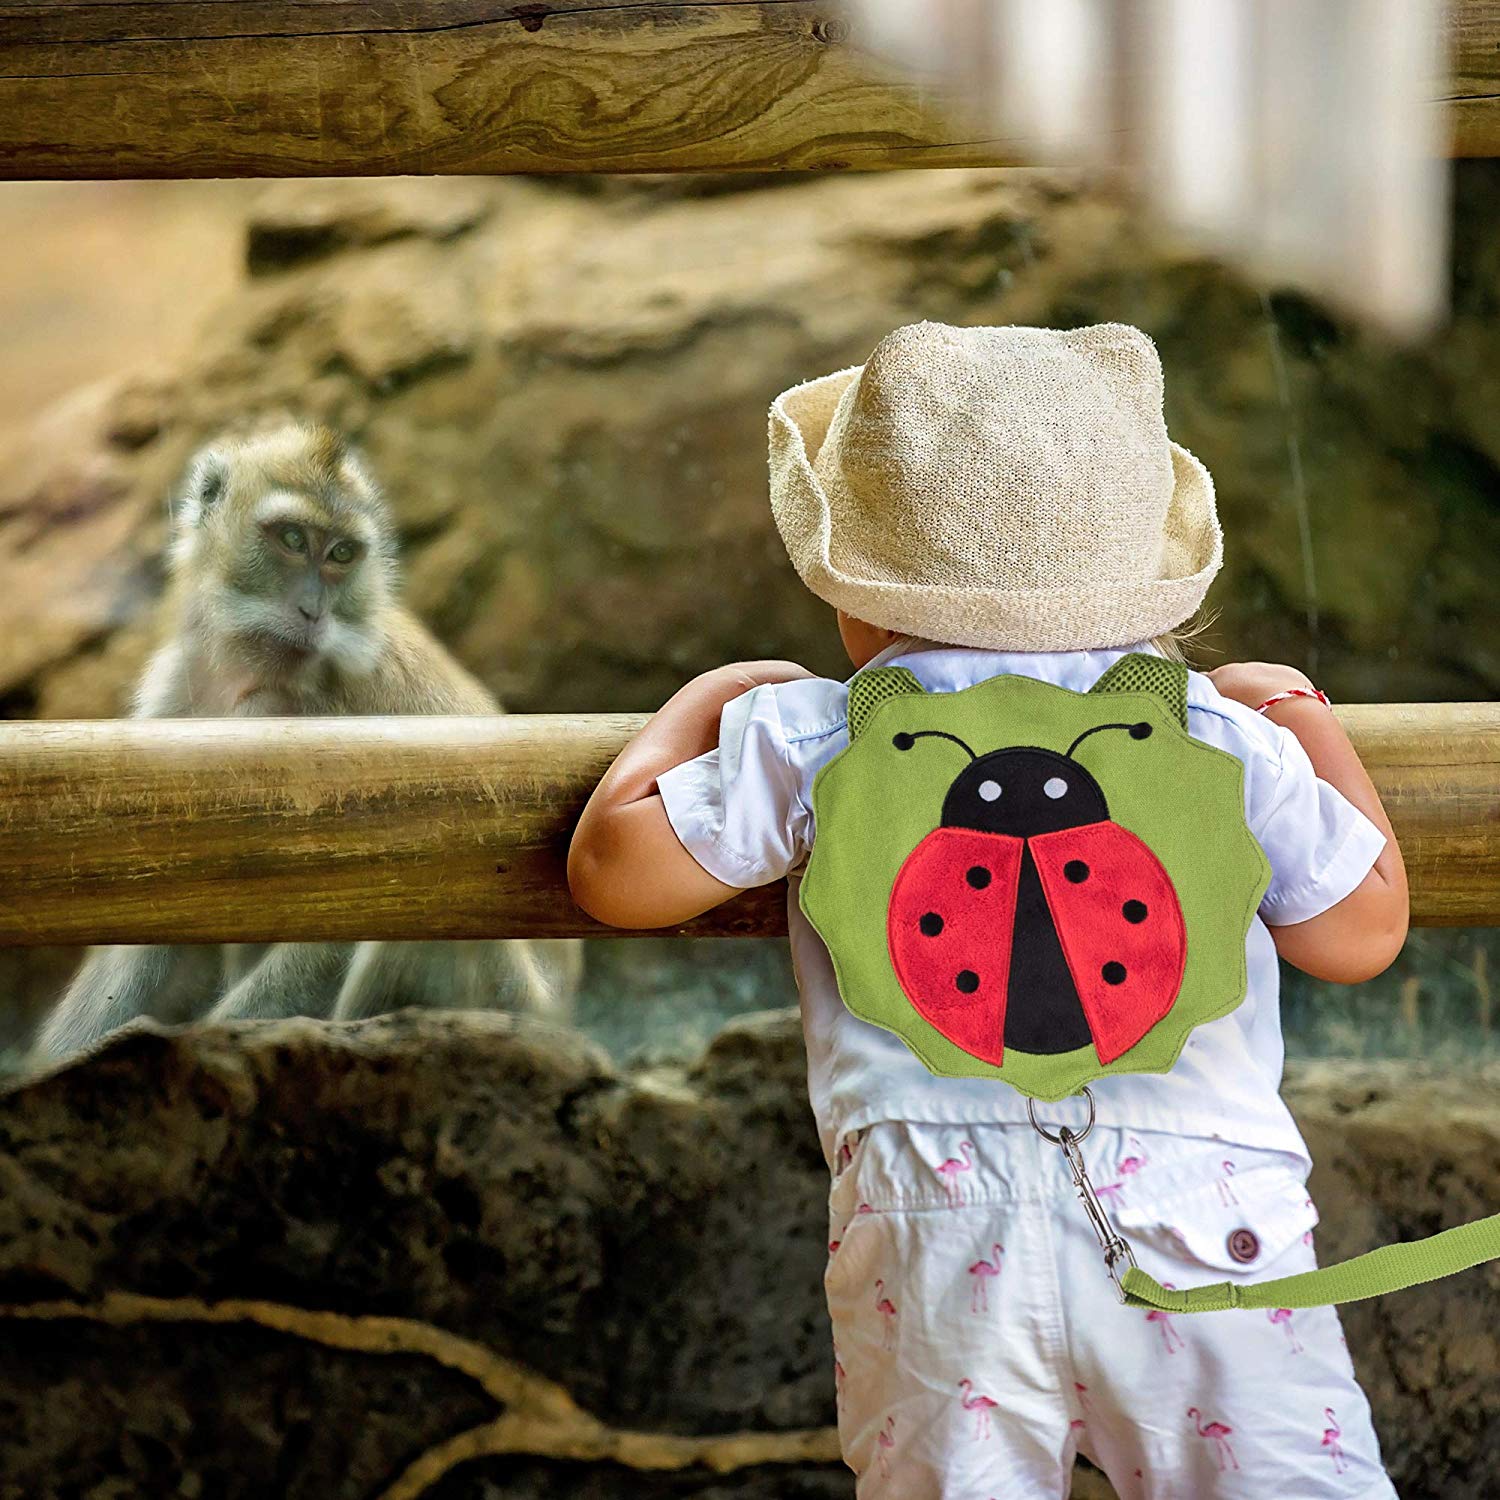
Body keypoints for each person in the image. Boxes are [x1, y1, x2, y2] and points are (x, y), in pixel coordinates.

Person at [567, 321, 1409, 1498]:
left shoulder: (825, 731)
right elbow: (1362, 933)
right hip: (1208, 1215)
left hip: (938, 1230)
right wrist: (1304, 713)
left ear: (856, 597)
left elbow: (613, 871)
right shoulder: (1214, 732)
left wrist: (705, 703)